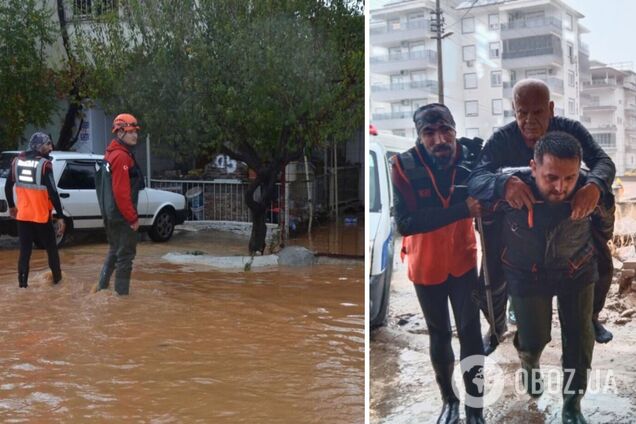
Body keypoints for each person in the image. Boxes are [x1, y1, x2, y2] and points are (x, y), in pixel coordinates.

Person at [467, 78, 616, 351]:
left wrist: (594, 185)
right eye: (522, 113)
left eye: (537, 112)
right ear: (514, 110)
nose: (529, 121)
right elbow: (476, 177)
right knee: (491, 272)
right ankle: (496, 325)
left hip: (567, 217)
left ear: (551, 109)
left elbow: (604, 161)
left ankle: (592, 317)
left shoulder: (570, 130)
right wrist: (503, 184)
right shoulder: (502, 138)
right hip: (518, 225)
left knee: (601, 260)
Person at [487, 132, 599, 423]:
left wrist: (596, 185)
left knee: (580, 339)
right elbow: (477, 190)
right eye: (551, 177)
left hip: (576, 268)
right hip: (526, 273)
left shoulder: (590, 188)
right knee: (534, 337)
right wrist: (499, 185)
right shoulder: (510, 185)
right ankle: (529, 361)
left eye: (569, 178)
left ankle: (572, 404)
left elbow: (604, 230)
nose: (560, 187)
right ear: (533, 168)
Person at [391, 103, 485, 424]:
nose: (439, 139)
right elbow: (405, 222)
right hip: (425, 264)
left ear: (455, 130)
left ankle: (475, 409)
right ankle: (449, 401)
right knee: (440, 335)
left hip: (462, 260)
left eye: (445, 130)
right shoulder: (403, 166)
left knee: (471, 333)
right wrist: (462, 210)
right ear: (418, 136)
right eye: (429, 133)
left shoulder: (474, 158)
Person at [4, 132, 66, 288]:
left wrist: (12, 206)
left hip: (23, 215)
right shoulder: (45, 165)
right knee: (52, 249)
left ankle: (22, 285)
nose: (51, 147)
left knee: (25, 252)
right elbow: (53, 192)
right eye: (48, 144)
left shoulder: (16, 161)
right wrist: (60, 216)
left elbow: (7, 186)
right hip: (41, 216)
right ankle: (58, 283)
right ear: (40, 146)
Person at [95, 113, 145, 295]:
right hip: (121, 216)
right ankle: (121, 299)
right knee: (125, 257)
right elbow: (121, 192)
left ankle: (101, 288)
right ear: (120, 133)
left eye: (136, 132)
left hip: (111, 214)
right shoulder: (121, 157)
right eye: (131, 132)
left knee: (114, 251)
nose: (135, 136)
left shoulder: (111, 153)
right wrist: (132, 218)